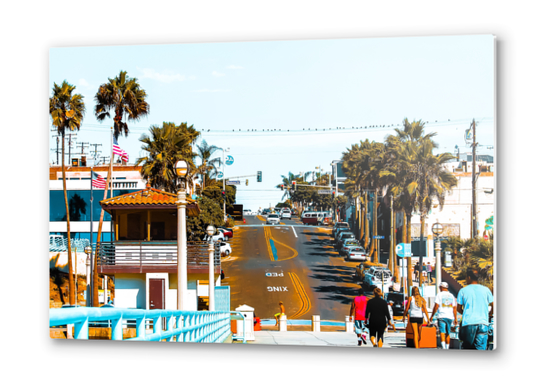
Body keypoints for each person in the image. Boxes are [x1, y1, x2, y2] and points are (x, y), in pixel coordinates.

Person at [457, 269, 494, 350]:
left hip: (468, 323)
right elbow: (493, 305)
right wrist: (489, 314)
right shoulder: (486, 290)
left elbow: (458, 308)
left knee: (468, 349)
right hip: (483, 323)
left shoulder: (463, 291)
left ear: (469, 277)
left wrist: (465, 313)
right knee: (481, 348)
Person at [430, 282, 457, 349]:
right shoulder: (451, 295)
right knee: (448, 333)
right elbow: (454, 308)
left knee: (442, 332)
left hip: (441, 316)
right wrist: (455, 318)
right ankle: (447, 347)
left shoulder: (439, 295)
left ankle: (443, 347)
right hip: (450, 317)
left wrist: (432, 315)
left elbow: (436, 306)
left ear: (441, 287)